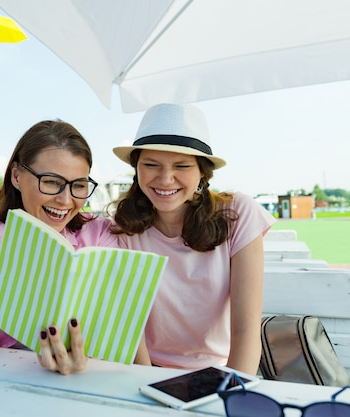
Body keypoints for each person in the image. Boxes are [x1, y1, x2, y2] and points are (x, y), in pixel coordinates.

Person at [111, 103, 276, 374]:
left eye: (182, 166)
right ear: (136, 169)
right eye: (151, 164)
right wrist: (146, 382)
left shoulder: (238, 213)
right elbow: (132, 327)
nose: (165, 179)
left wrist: (230, 393)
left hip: (222, 369)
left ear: (202, 172)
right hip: (149, 369)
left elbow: (246, 329)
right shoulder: (123, 227)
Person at [0, 120, 117, 375]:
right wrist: (32, 266)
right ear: (16, 176)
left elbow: (107, 330)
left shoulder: (99, 233)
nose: (65, 200)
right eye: (51, 182)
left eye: (79, 185)